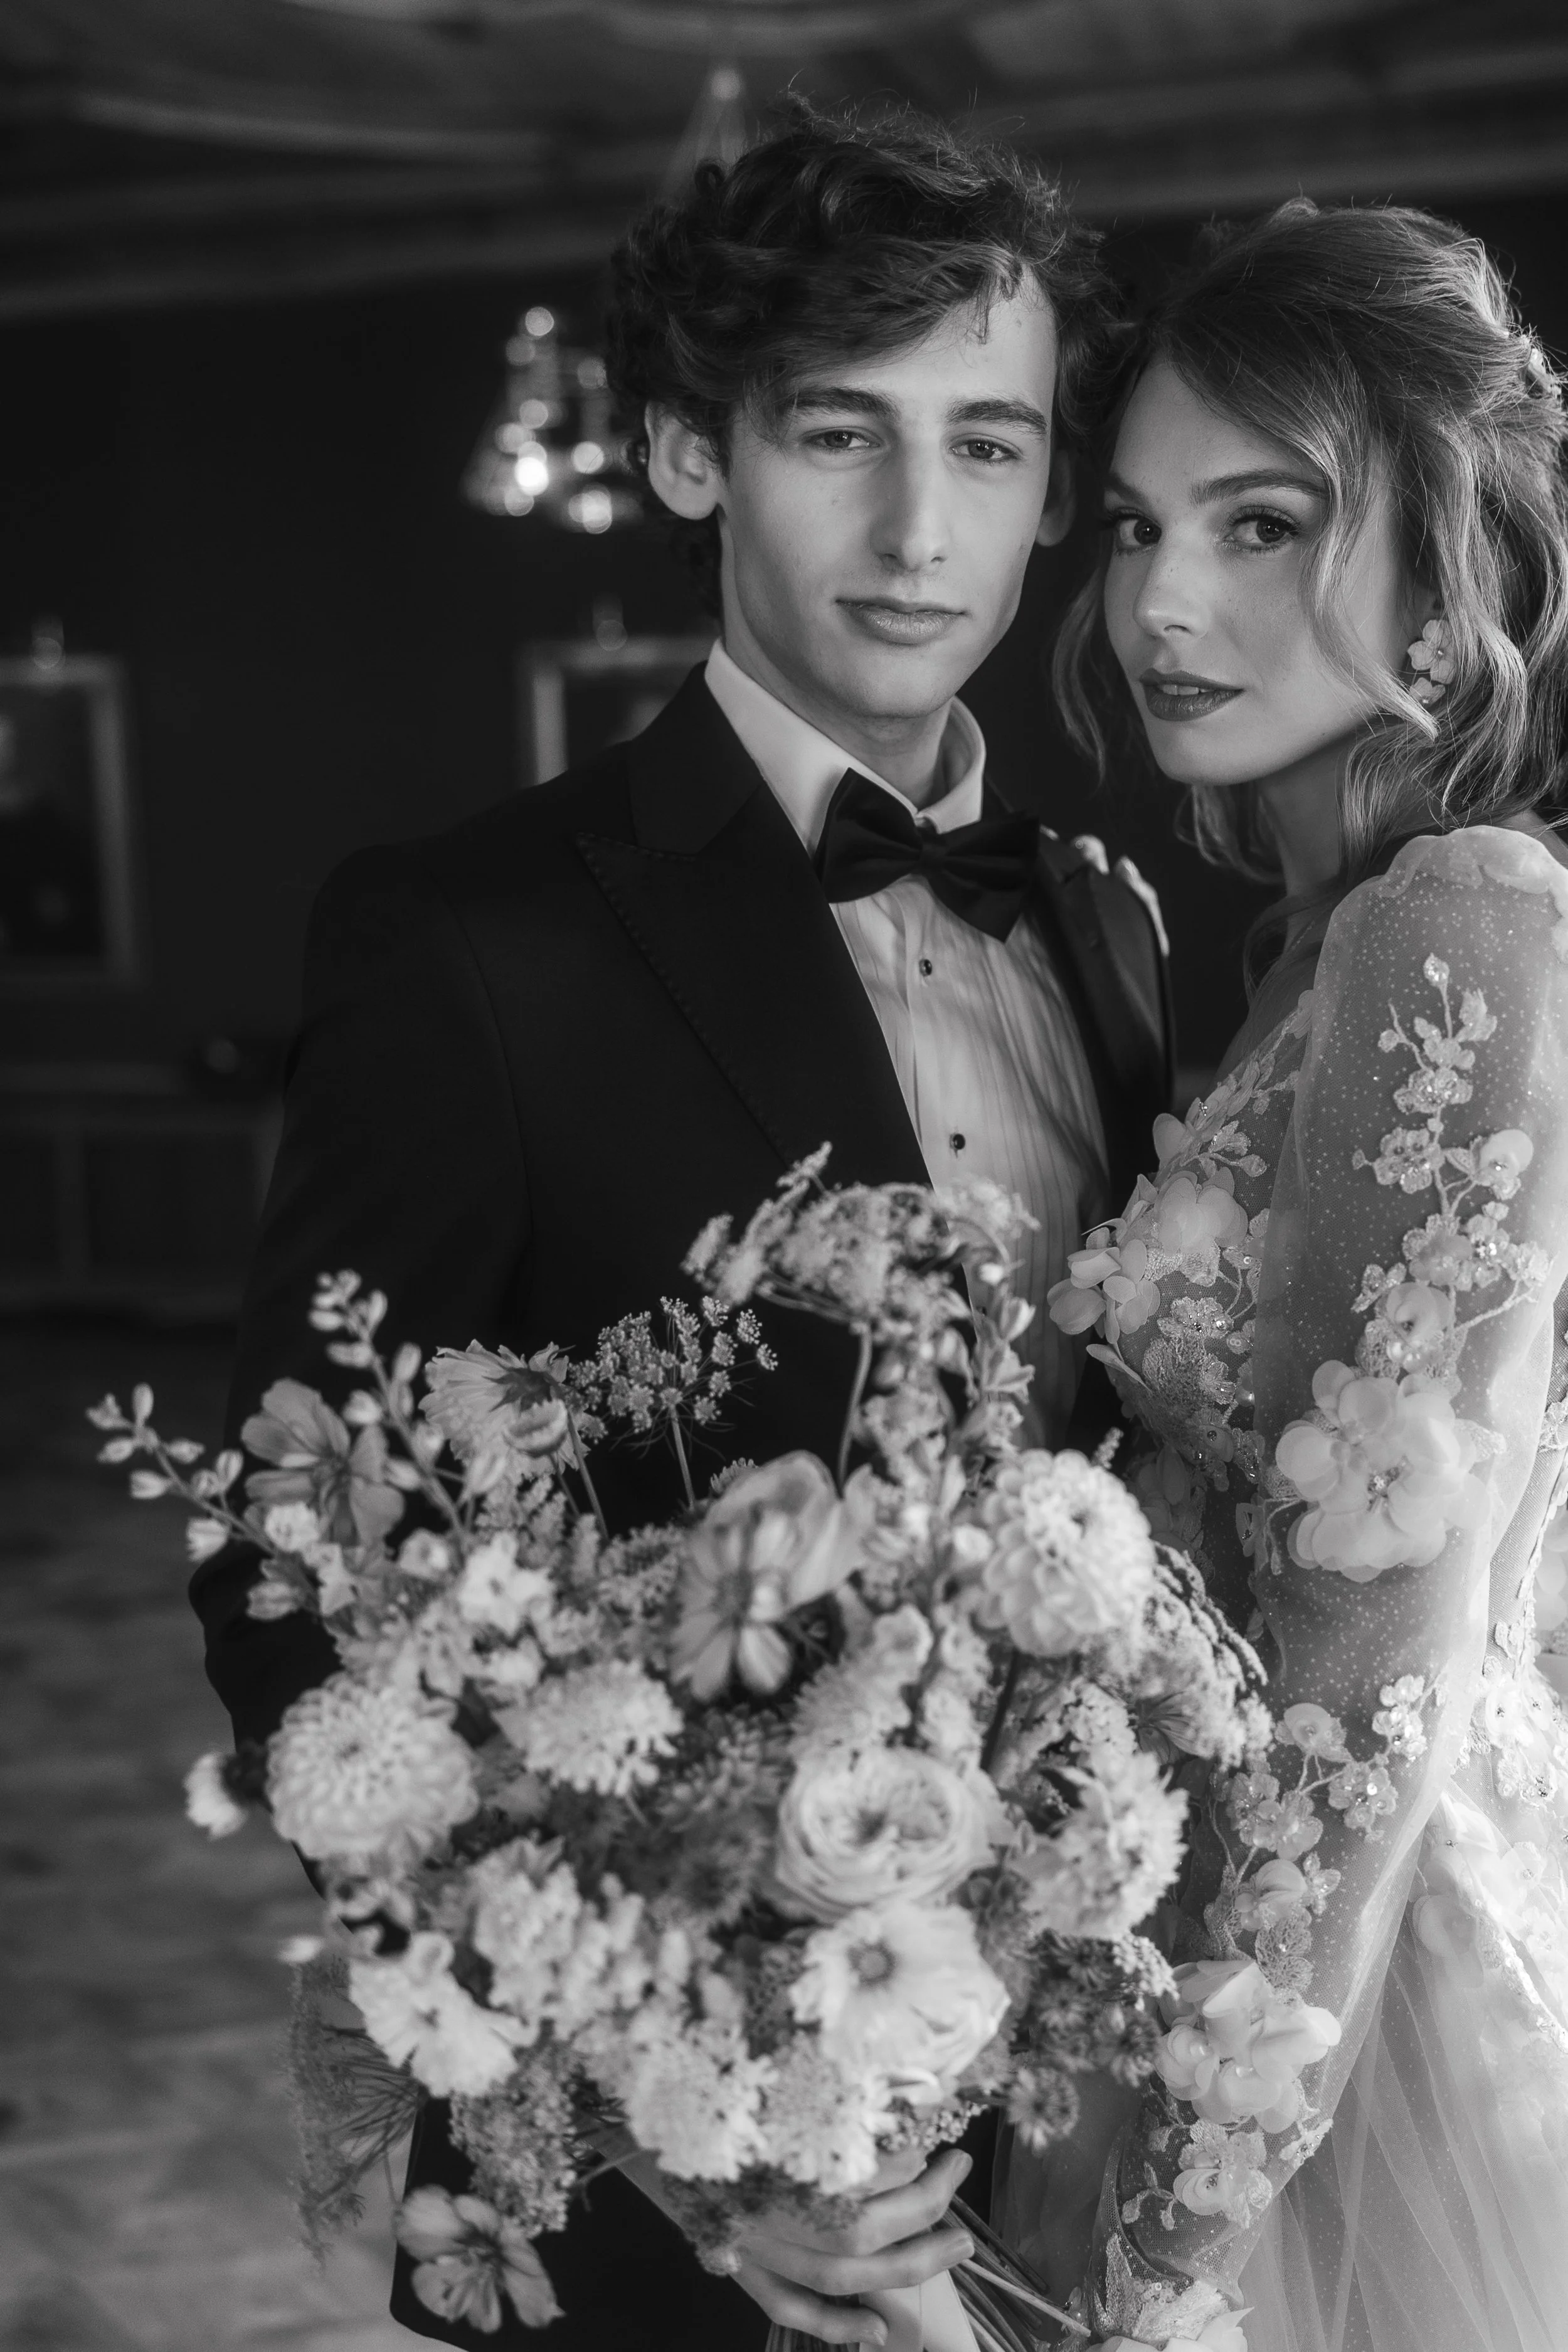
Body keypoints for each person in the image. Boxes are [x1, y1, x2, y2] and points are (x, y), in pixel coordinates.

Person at [189, 102, 1173, 2352]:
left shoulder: (1114, 933)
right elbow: (287, 1576)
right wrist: (681, 2121)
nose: (926, 530)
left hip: (1061, 2145)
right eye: (842, 433)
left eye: (991, 445)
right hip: (674, 2222)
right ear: (685, 453)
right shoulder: (465, 937)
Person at [1040, 198, 1568, 2352]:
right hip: (1257, 1899)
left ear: (1454, 582)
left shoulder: (1452, 922)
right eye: (1137, 522)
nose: (1166, 598)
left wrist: (1170, 2196)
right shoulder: (1310, 941)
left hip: (1337, 1994)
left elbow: (1377, 1613)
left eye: (1262, 523)